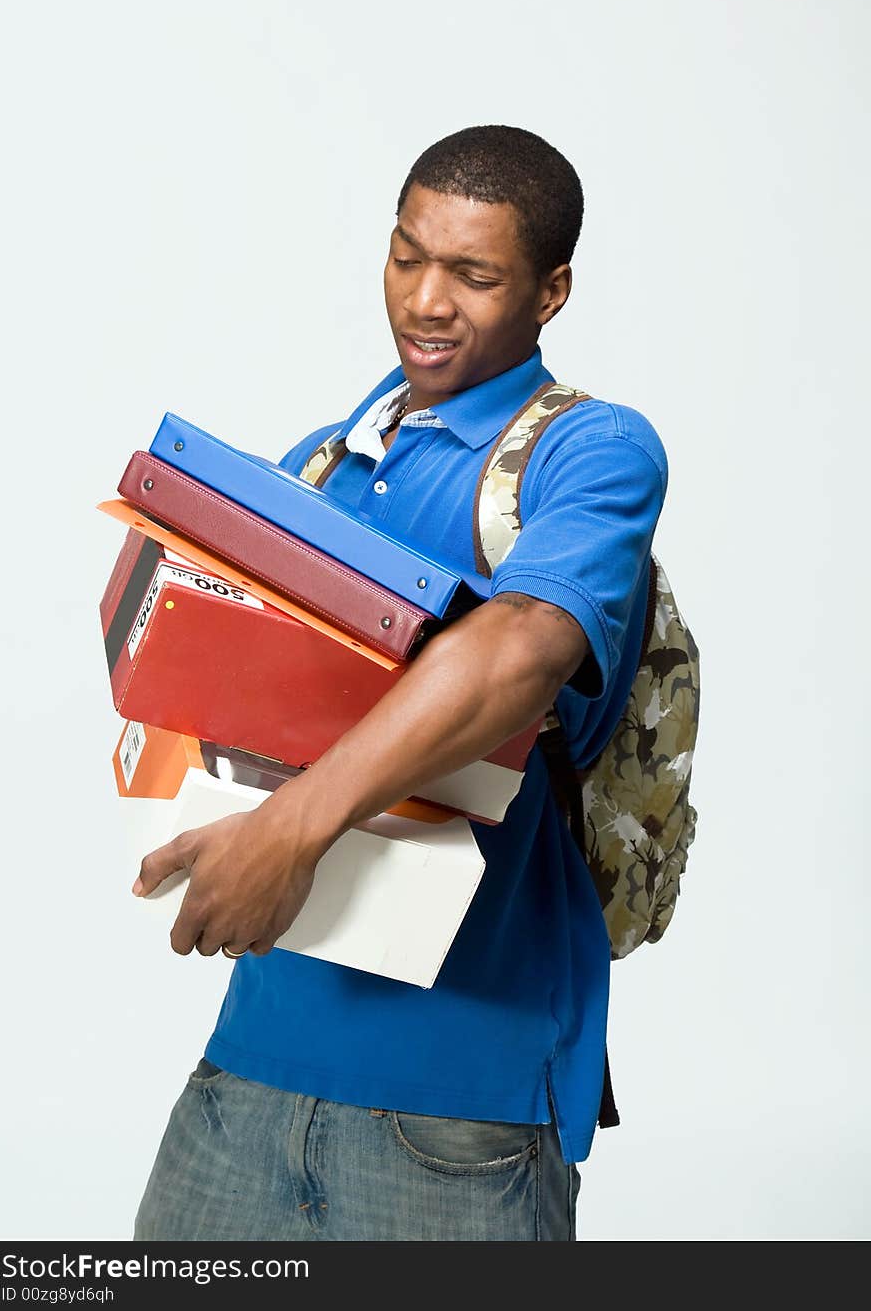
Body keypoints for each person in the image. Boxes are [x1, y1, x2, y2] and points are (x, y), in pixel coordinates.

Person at [131, 125, 668, 1242]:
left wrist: (290, 830)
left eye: (472, 274)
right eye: (406, 255)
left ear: (550, 289)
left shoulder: (591, 452)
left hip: (460, 1109)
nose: (427, 301)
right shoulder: (322, 461)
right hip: (247, 1071)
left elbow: (520, 650)